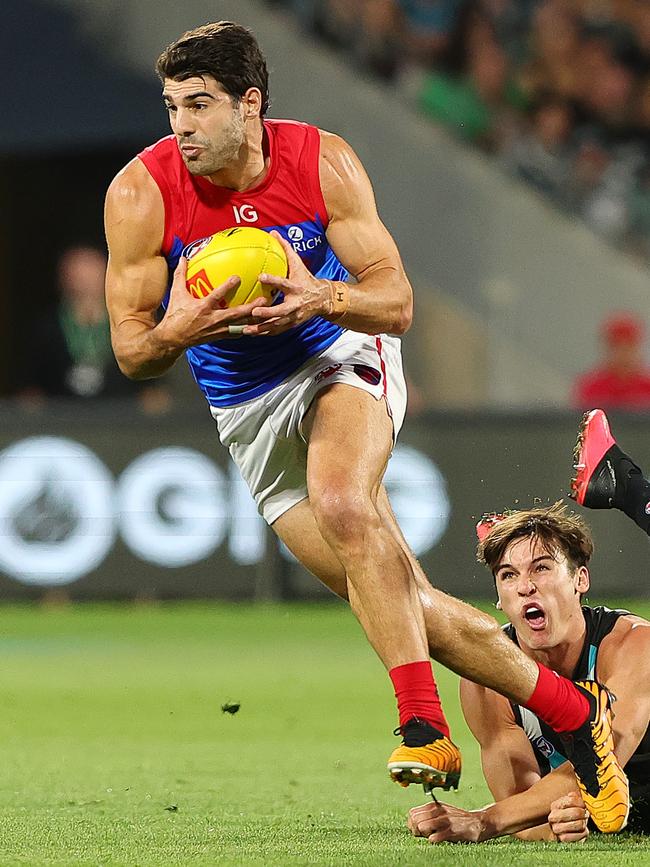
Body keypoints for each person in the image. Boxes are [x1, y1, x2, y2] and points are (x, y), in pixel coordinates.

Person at [104, 21, 626, 827]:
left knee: (345, 500)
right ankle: (571, 710)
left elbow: (399, 301)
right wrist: (183, 327)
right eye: (172, 106)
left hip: (338, 352)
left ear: (251, 104)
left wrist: (322, 296)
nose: (182, 126)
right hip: (244, 407)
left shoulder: (322, 161)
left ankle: (422, 726)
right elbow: (134, 352)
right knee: (406, 602)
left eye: (200, 105)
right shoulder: (140, 193)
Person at [408, 414, 650, 843]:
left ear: (581, 580)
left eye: (541, 567)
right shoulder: (486, 678)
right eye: (507, 575)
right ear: (498, 599)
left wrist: (483, 821)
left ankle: (632, 492)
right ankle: (628, 488)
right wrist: (558, 825)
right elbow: (521, 803)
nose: (525, 587)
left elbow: (606, 757)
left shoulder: (633, 644)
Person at [20, 245, 170, 412]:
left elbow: (151, 381)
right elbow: (32, 390)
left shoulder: (130, 321)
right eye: (78, 272)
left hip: (122, 418)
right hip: (63, 419)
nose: (85, 280)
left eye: (91, 270)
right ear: (63, 277)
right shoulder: (47, 328)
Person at [573, 313, 650, 411]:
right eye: (617, 346)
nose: (622, 353)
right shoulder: (591, 387)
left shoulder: (647, 385)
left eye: (628, 346)